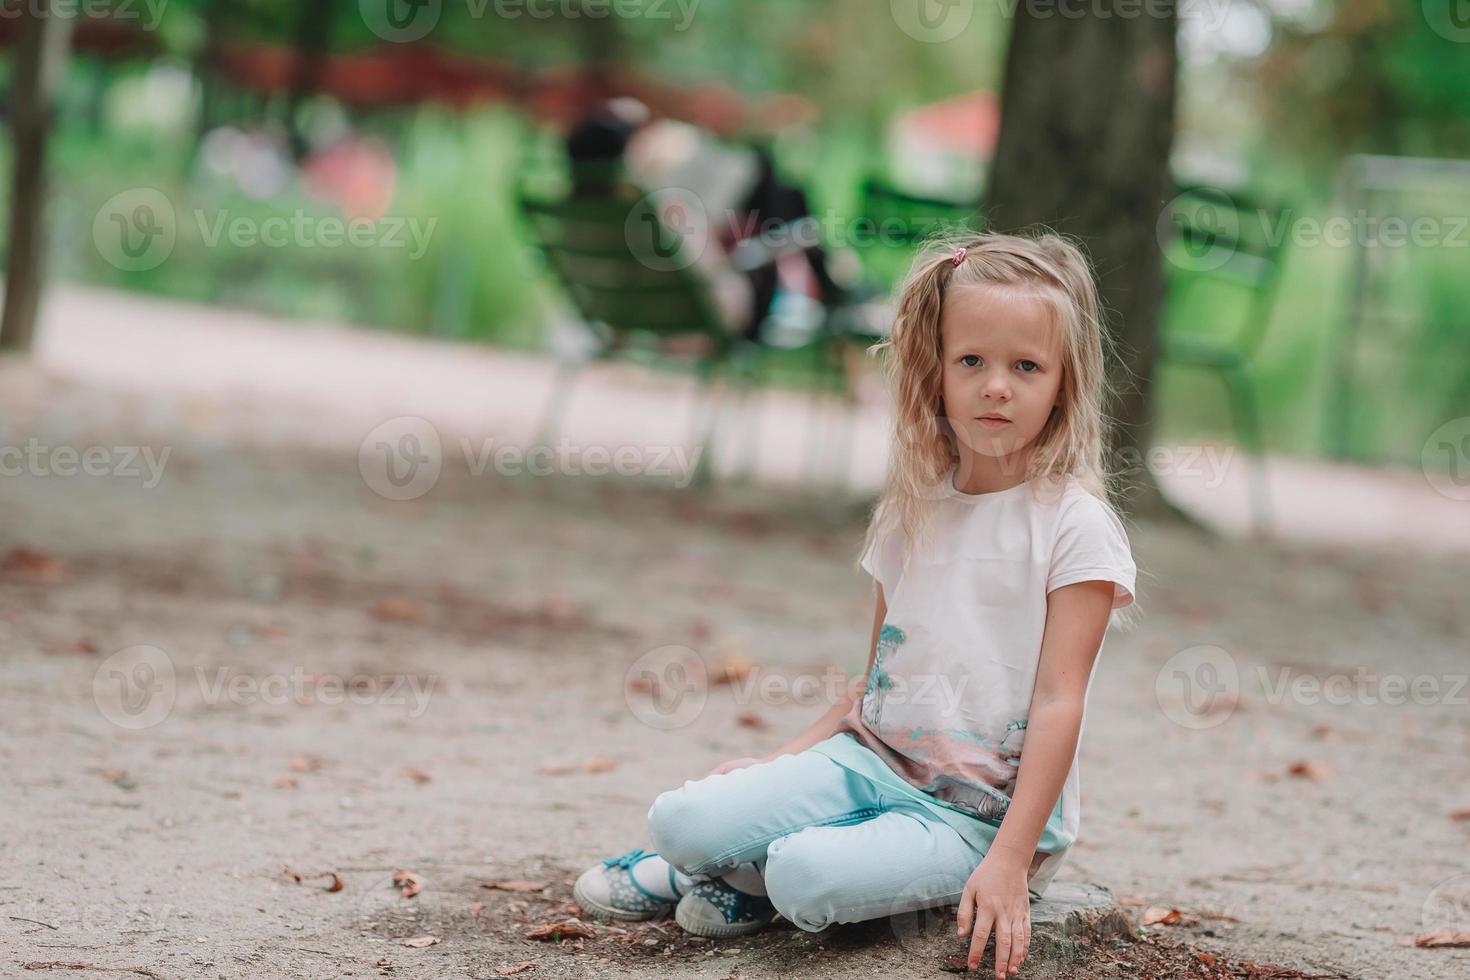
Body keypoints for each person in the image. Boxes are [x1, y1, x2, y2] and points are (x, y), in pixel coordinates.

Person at [573, 232, 1140, 977]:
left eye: (1025, 366)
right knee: (682, 817)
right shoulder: (911, 510)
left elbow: (1061, 702)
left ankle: (751, 876)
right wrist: (775, 768)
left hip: (978, 820)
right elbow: (876, 685)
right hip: (866, 765)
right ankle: (711, 862)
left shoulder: (1075, 525)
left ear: (1062, 383)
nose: (996, 386)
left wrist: (1009, 862)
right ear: (935, 373)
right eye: (971, 361)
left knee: (806, 876)